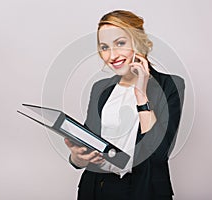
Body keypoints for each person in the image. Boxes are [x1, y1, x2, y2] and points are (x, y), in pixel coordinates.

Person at [64, 10, 185, 200]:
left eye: (120, 43)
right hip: (96, 189)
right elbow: (89, 146)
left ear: (137, 43)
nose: (112, 55)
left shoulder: (170, 86)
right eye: (104, 47)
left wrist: (140, 93)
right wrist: (77, 158)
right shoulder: (100, 89)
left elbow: (158, 154)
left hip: (144, 190)